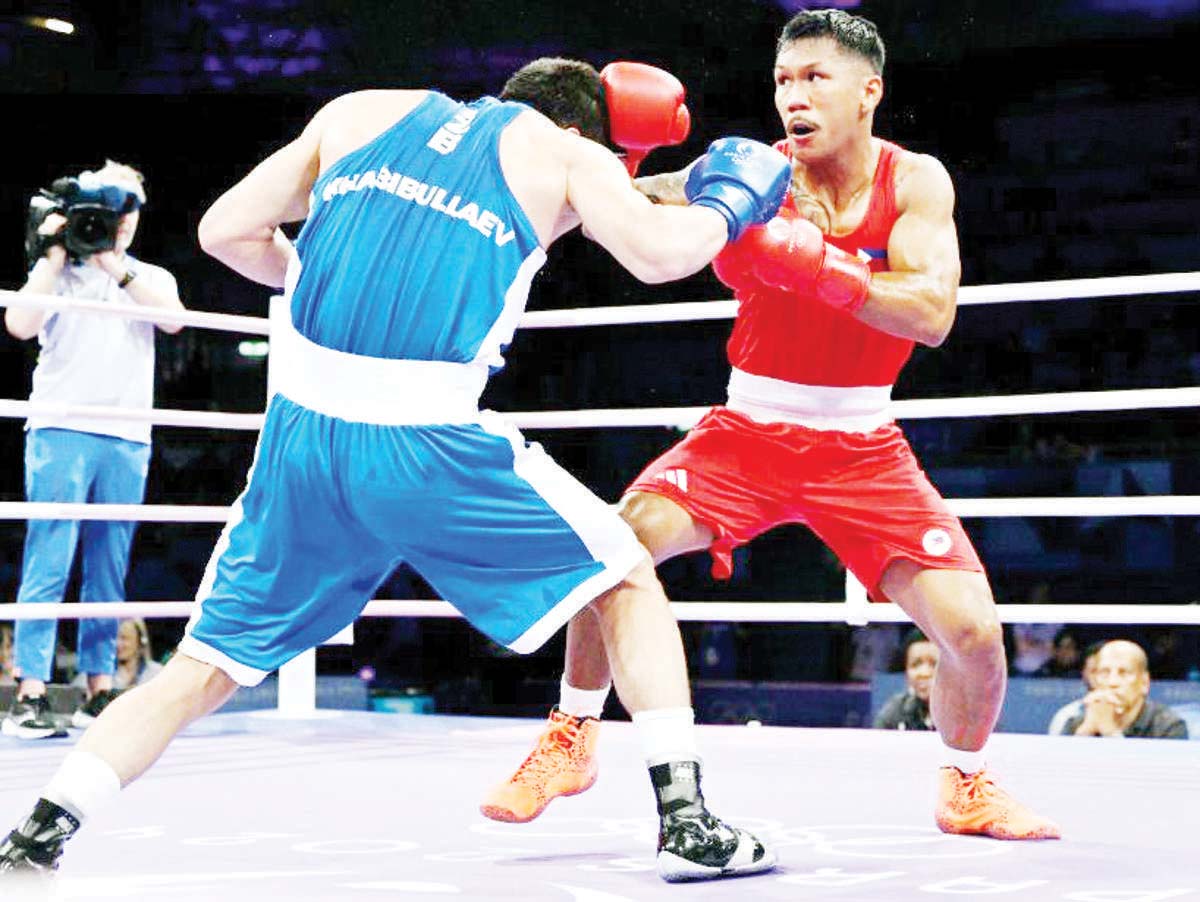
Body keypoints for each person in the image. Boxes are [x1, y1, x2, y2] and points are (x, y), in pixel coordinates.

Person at [0, 58, 791, 883]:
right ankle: (689, 822)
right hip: (427, 441)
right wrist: (727, 200)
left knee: (206, 663)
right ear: (581, 131)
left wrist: (316, 277)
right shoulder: (566, 157)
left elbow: (222, 233)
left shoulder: (360, 111)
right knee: (625, 576)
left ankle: (42, 828)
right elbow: (661, 255)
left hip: (302, 441)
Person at [481, 10, 1061, 842]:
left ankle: (966, 783)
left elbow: (932, 312)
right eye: (784, 80)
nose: (794, 96)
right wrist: (607, 165)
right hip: (747, 432)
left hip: (864, 448)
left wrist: (822, 267)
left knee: (973, 633)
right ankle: (573, 731)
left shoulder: (917, 180)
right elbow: (614, 202)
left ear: (869, 91)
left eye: (815, 78)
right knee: (616, 544)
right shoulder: (749, 171)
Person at [3, 161, 184, 742]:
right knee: (48, 558)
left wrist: (112, 264)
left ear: (137, 215)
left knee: (110, 566)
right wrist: (54, 255)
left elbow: (173, 322)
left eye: (128, 207)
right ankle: (30, 692)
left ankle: (97, 686)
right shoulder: (56, 273)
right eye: (108, 208)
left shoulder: (149, 275)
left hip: (128, 435)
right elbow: (19, 324)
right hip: (60, 428)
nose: (120, 219)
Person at [1062, 640, 1188, 739]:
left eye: (1123, 673)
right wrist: (1085, 731)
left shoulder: (1169, 726)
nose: (1112, 682)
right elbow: (1059, 769)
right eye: (1105, 673)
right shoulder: (1077, 723)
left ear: (1144, 683)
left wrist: (1109, 731)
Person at [68, 619, 163, 727]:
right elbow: (73, 701)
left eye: (124, 638)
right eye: (113, 638)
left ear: (141, 641)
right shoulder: (96, 675)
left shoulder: (157, 673)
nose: (117, 644)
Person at [873, 630, 938, 731]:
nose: (924, 673)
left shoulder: (964, 712)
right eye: (915, 664)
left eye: (933, 664)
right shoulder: (896, 711)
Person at [1047, 640, 1103, 735]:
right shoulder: (1067, 717)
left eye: (1105, 672)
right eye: (1094, 671)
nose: (1101, 678)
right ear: (1084, 674)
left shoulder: (1134, 717)